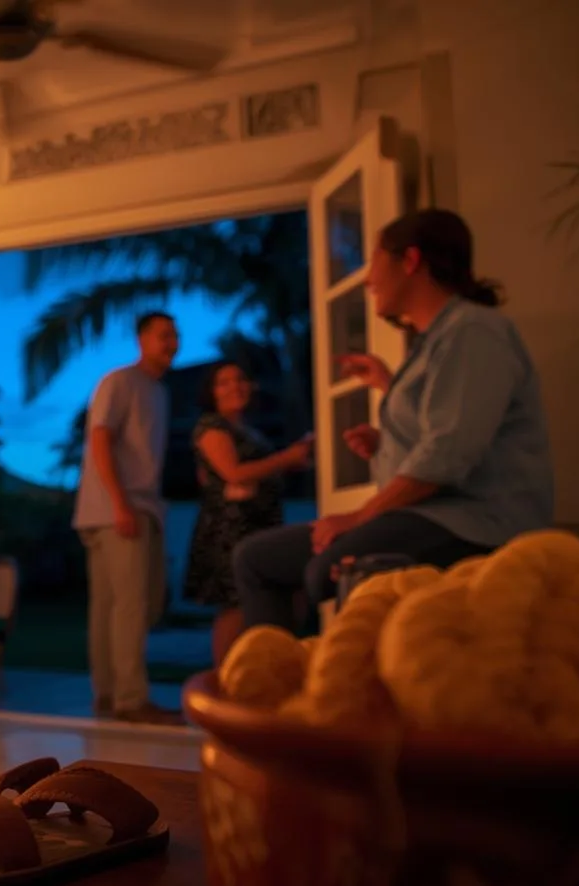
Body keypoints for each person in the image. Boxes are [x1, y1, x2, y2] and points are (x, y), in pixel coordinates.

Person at [231, 208, 554, 634]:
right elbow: (444, 428)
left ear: (411, 261)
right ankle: (275, 686)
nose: (367, 279)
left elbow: (447, 454)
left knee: (325, 570)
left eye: (373, 261)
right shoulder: (437, 340)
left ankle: (340, 687)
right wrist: (387, 435)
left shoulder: (473, 331)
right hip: (433, 512)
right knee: (255, 559)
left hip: (476, 522)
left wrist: (359, 517)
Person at [74, 311, 180, 725]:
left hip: (128, 507)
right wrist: (120, 503)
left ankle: (107, 695)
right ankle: (131, 700)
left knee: (111, 607)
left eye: (175, 336)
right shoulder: (121, 381)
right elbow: (100, 436)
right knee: (134, 605)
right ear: (142, 339)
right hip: (119, 509)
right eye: (163, 336)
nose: (171, 343)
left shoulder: (159, 392)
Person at [182, 362, 314, 665]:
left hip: (261, 522)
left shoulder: (250, 431)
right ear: (211, 392)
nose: (235, 386)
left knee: (277, 597)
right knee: (236, 606)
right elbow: (233, 472)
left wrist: (296, 459)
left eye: (240, 379)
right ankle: (224, 684)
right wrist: (286, 457)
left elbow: (263, 471)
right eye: (224, 382)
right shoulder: (212, 426)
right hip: (232, 529)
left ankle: (264, 672)